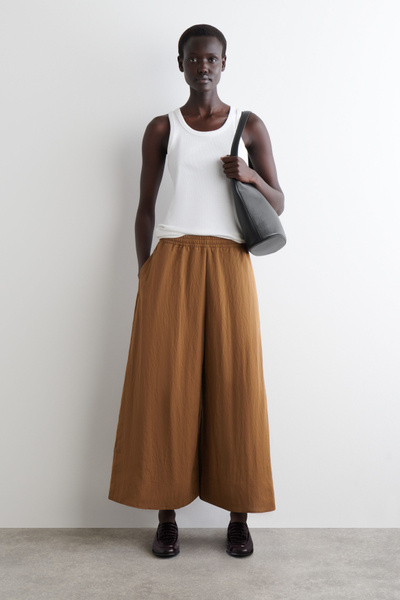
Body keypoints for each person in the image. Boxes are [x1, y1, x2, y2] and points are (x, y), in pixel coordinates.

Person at [108, 24, 284, 559]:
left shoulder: (249, 124)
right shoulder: (162, 128)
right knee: (166, 386)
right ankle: (167, 519)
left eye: (211, 59)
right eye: (194, 58)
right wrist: (146, 272)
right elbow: (143, 208)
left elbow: (279, 202)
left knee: (236, 384)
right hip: (173, 260)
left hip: (230, 263)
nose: (202, 66)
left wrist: (250, 176)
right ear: (181, 63)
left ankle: (239, 518)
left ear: (224, 63)